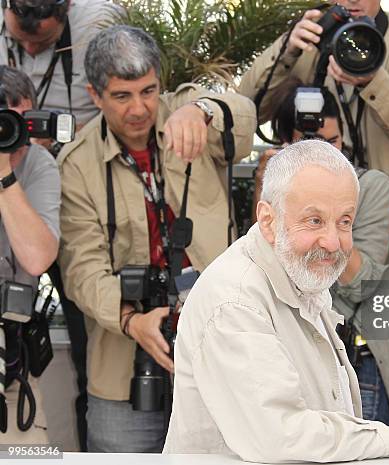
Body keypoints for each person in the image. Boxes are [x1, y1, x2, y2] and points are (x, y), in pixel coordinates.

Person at [163, 139, 389, 461]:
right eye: (314, 220)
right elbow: (279, 435)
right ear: (268, 220)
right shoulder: (235, 301)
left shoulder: (296, 273)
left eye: (345, 221)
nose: (333, 242)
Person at [57, 25, 257, 453]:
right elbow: (81, 270)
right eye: (122, 96)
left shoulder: (189, 111)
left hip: (219, 351)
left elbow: (245, 115)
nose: (139, 108)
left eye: (148, 91)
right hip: (122, 368)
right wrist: (132, 321)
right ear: (95, 95)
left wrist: (203, 109)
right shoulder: (76, 164)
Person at [251, 80, 389, 427]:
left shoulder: (372, 186)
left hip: (356, 355)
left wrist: (325, 216)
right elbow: (262, 264)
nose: (325, 154)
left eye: (332, 142)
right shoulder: (274, 191)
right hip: (290, 354)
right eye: (310, 144)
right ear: (286, 145)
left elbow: (359, 283)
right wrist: (273, 189)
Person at [1, 0, 116, 450]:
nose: (30, 48)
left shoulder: (97, 26)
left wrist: (8, 169)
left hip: (70, 195)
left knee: (83, 326)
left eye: (19, 123)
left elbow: (37, 257)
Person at [239, 0, 389, 200]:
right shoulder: (309, 36)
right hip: (307, 204)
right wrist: (286, 51)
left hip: (382, 208)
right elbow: (243, 115)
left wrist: (374, 81)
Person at [0, 65, 60, 443]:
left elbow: (37, 258)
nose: (11, 135)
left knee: (31, 457)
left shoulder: (39, 165)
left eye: (17, 123)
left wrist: (4, 177)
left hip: (14, 364)